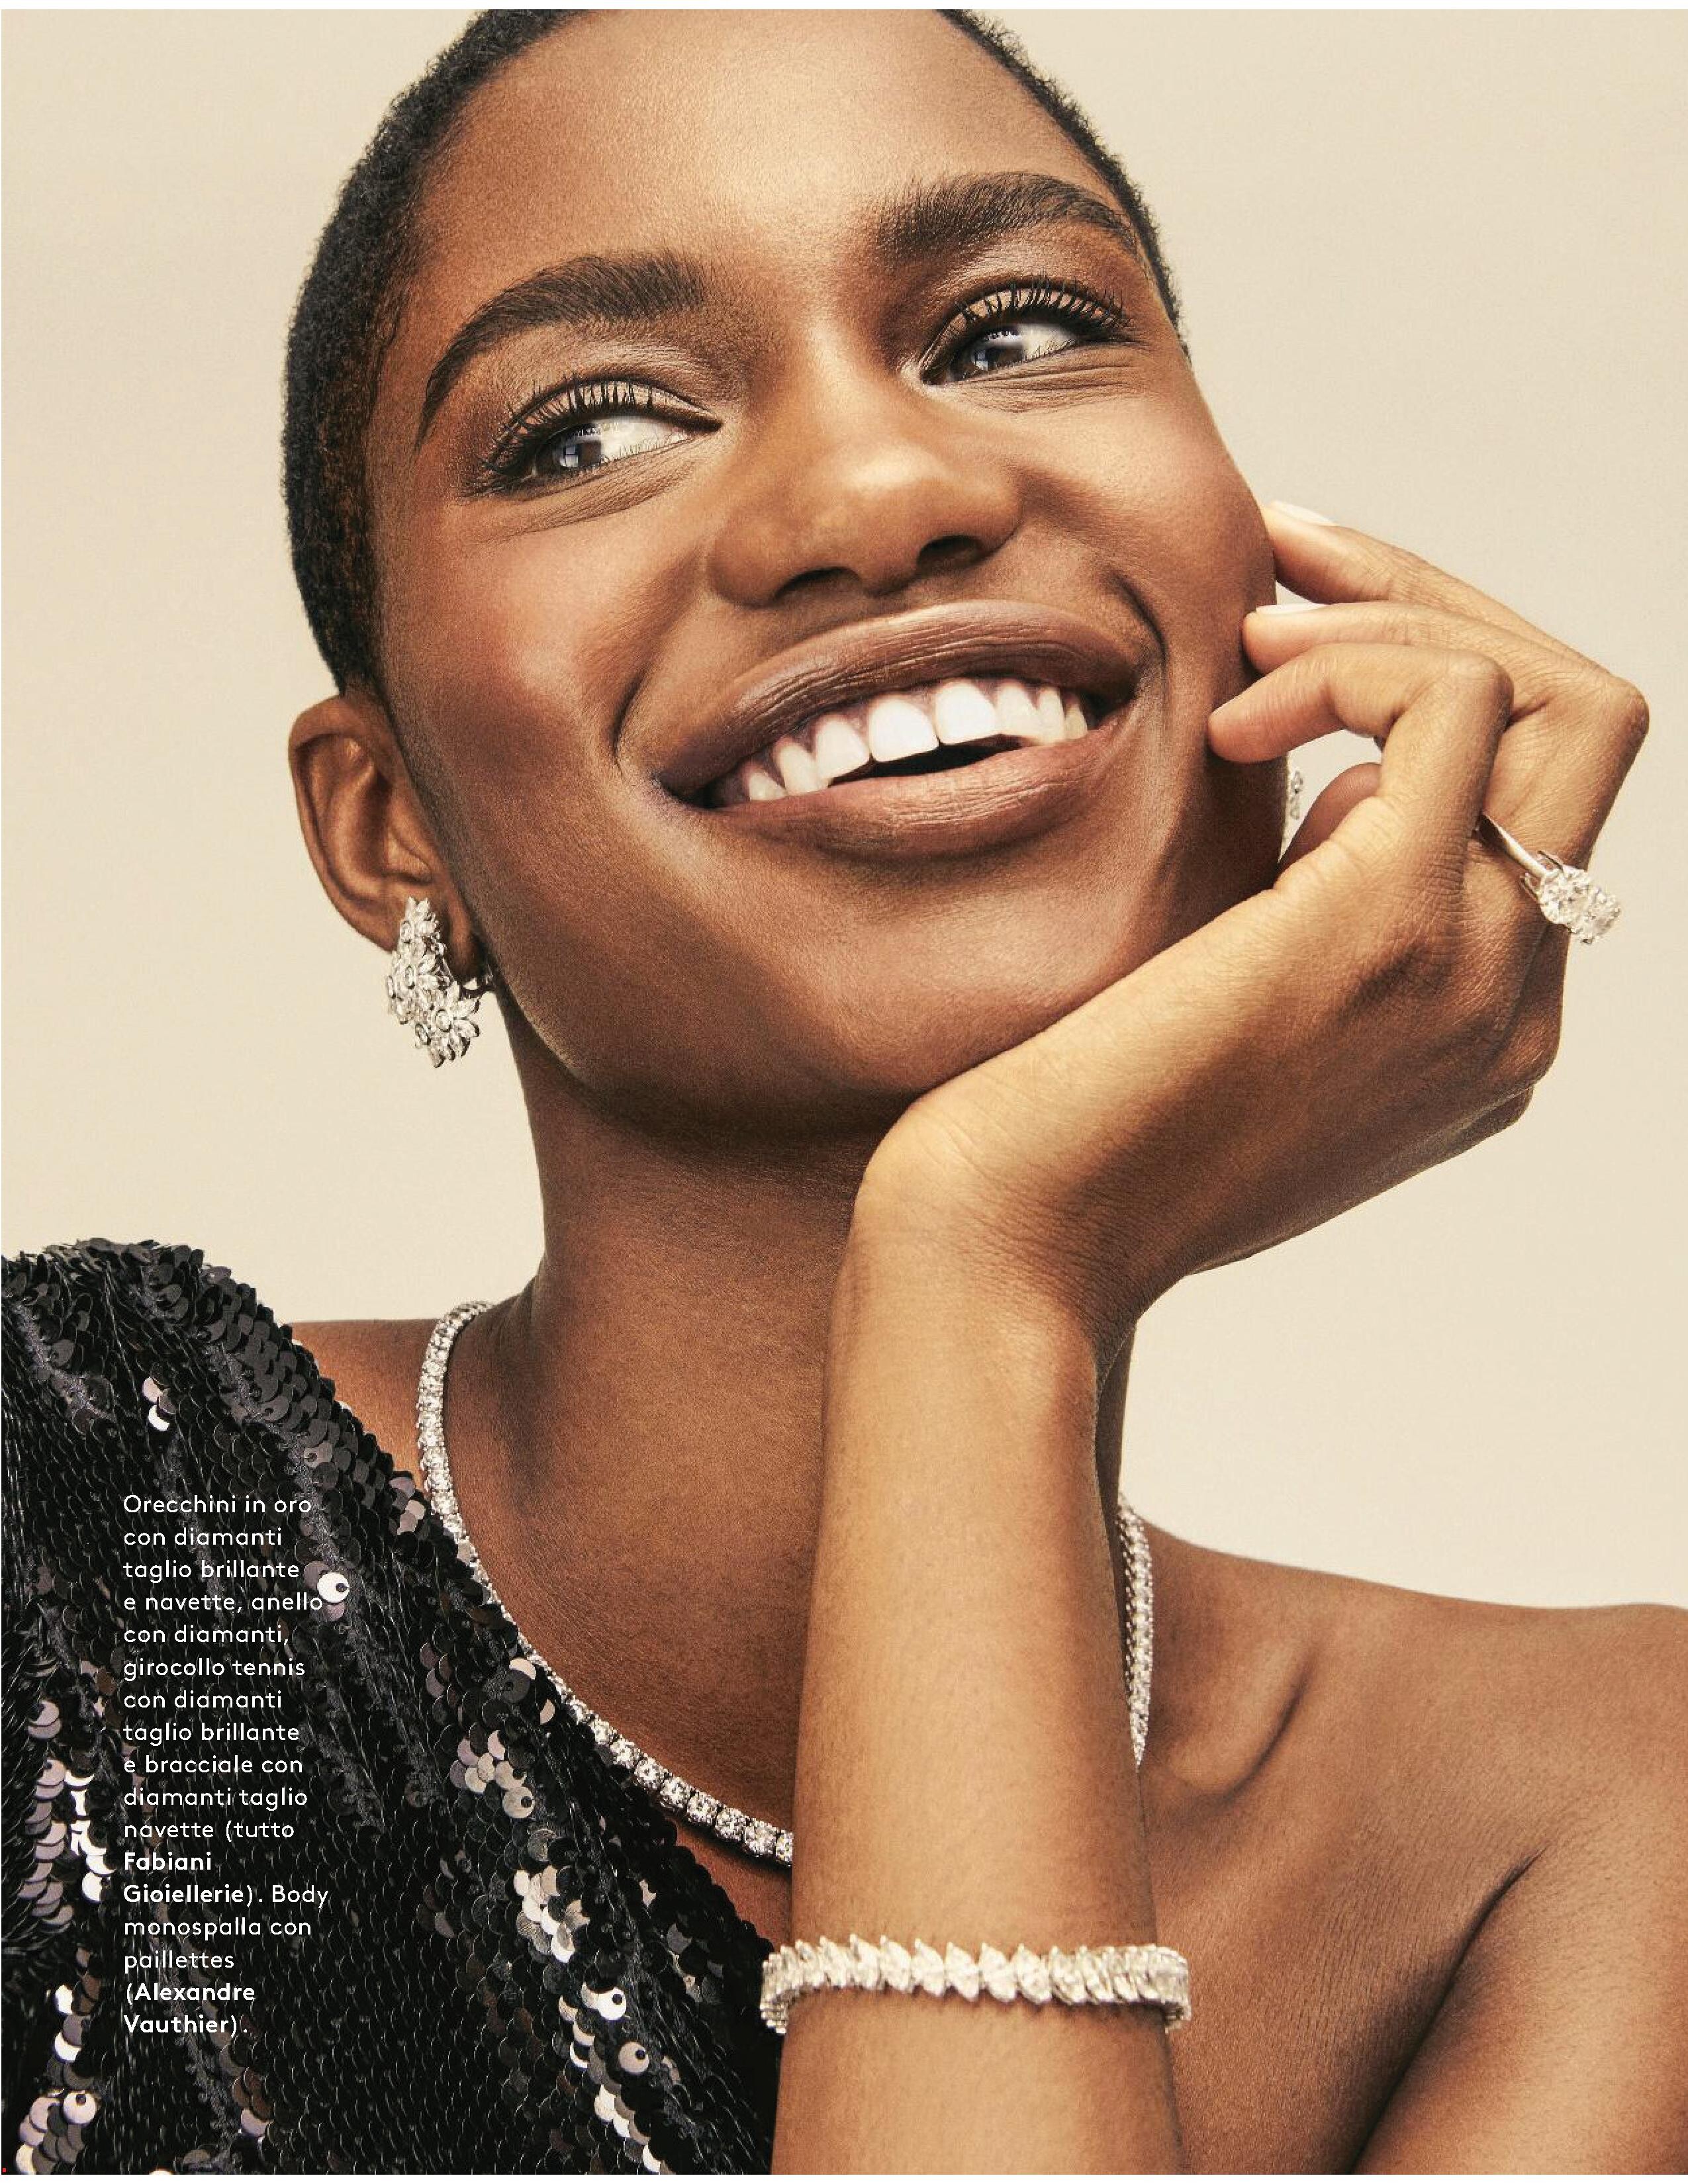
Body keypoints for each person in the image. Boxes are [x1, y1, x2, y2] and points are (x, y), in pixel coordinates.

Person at [5, 9, 1683, 2174]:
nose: (887, 495)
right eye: (595, 428)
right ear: (388, 822)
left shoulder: (1580, 1821)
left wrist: (990, 1271)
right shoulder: (129, 1563)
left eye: (1016, 332)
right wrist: (1000, 1270)